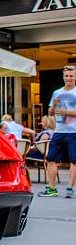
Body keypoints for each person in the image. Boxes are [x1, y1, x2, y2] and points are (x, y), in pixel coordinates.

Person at [39, 65, 76, 198]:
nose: (68, 78)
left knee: (74, 161)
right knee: (51, 159)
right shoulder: (57, 92)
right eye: (66, 76)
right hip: (59, 130)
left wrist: (65, 111)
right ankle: (52, 189)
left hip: (74, 132)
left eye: (71, 76)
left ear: (75, 77)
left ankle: (70, 189)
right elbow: (50, 113)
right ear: (63, 77)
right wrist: (54, 105)